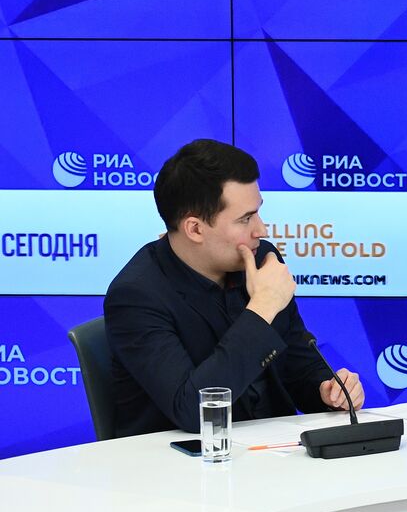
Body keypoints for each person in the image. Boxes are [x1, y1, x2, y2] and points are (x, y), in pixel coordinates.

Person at [105, 139, 364, 437]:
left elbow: (297, 365)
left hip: (271, 452)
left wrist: (327, 390)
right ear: (195, 229)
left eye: (258, 212)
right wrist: (263, 307)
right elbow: (194, 412)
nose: (261, 230)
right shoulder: (136, 296)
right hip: (180, 460)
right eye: (245, 219)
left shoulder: (261, 259)